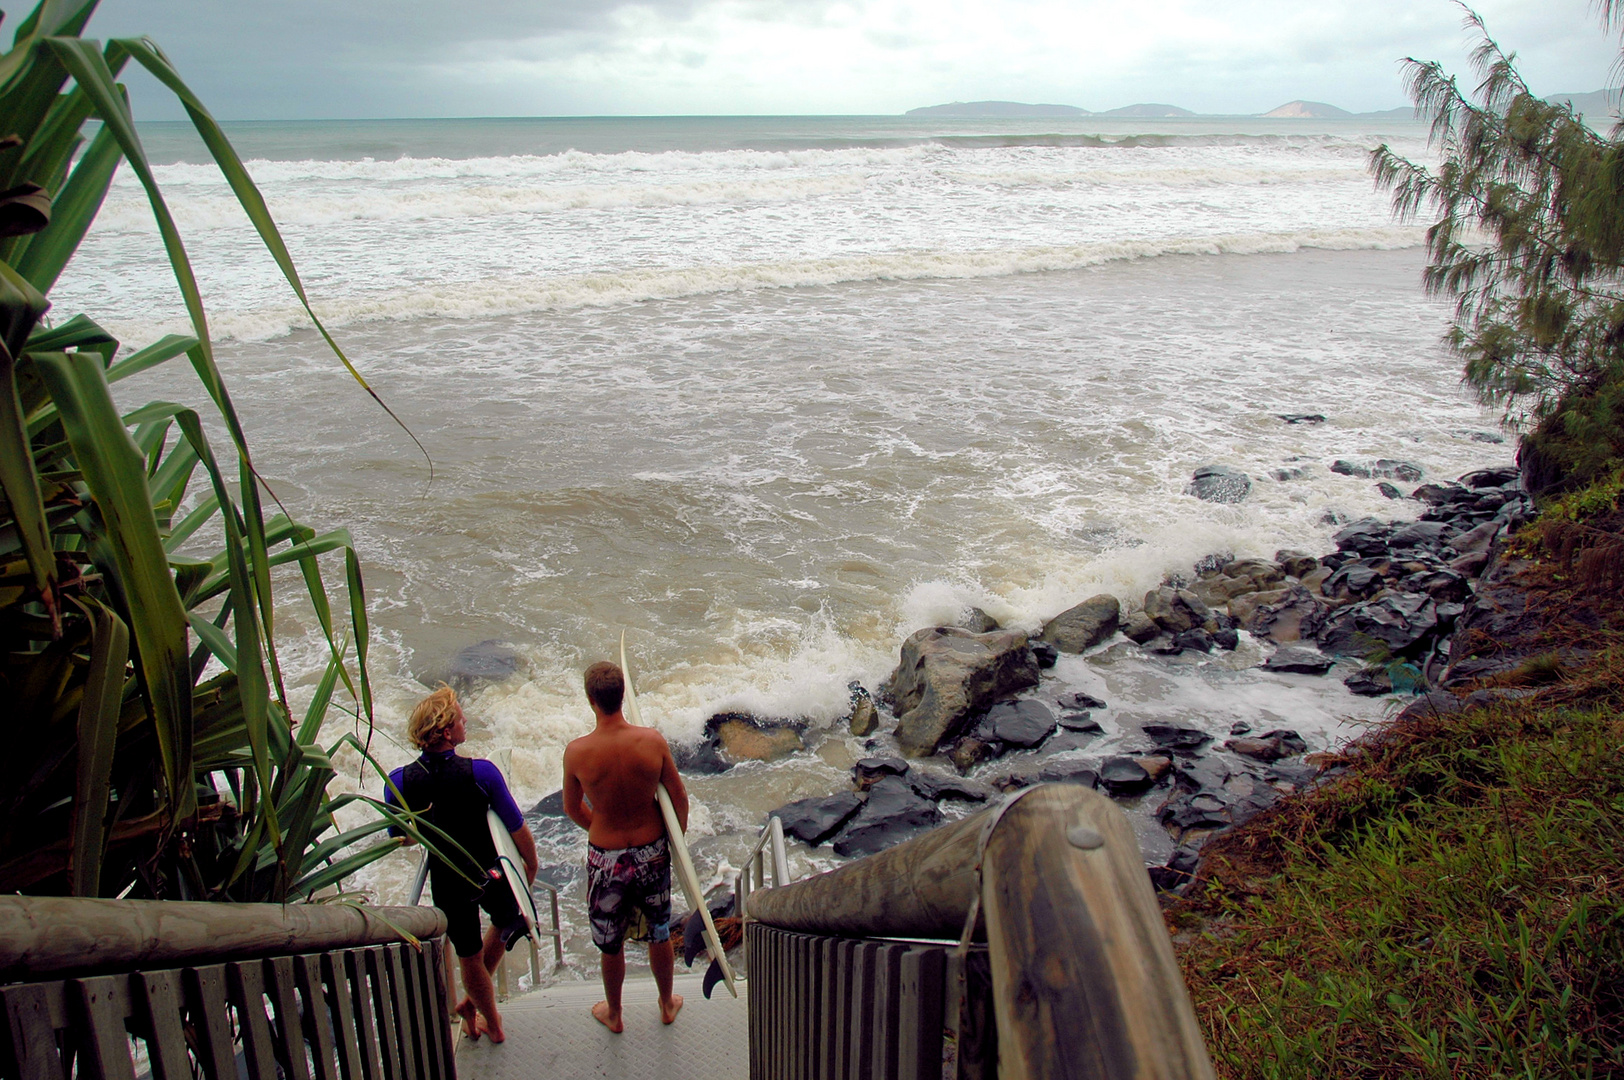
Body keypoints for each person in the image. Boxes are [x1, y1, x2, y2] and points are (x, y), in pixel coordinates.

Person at [386, 686, 538, 1043]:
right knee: (508, 920)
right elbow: (515, 826)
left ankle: (478, 1010)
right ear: (445, 731)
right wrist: (529, 868)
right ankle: (492, 1024)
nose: (466, 719)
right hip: (489, 871)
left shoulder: (398, 782)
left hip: (447, 878)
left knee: (469, 955)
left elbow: (400, 836)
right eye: (459, 716)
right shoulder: (482, 774)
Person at [562, 661, 688, 1032]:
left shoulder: (577, 752)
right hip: (652, 850)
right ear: (623, 695)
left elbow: (572, 808)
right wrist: (674, 845)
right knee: (660, 931)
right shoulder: (652, 741)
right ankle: (666, 1004)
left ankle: (615, 1014)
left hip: (606, 855)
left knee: (610, 939)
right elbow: (679, 799)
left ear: (590, 700)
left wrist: (600, 827)